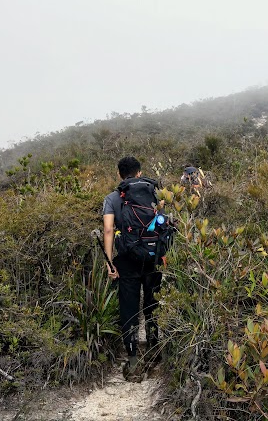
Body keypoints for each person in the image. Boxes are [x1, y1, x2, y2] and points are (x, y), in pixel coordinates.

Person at [102, 156, 163, 378]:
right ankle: (155, 354)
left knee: (128, 309)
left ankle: (134, 362)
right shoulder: (154, 193)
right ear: (139, 173)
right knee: (152, 303)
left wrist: (110, 263)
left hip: (126, 259)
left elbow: (108, 230)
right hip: (153, 257)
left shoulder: (112, 198)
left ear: (119, 174)